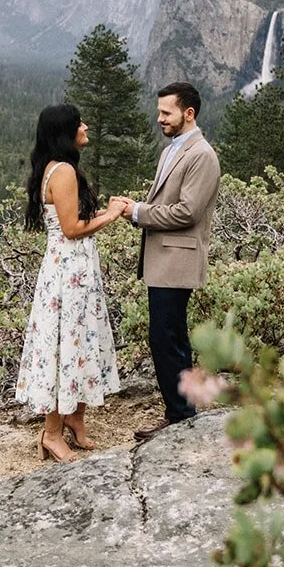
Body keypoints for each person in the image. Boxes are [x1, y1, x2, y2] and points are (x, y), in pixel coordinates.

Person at [15, 103, 129, 462]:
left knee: (80, 342)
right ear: (66, 132)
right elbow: (71, 229)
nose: (86, 125)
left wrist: (102, 211)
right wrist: (110, 216)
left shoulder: (60, 169)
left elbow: (75, 217)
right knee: (63, 347)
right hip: (68, 274)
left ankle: (76, 420)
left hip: (74, 271)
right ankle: (51, 433)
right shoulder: (62, 171)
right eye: (79, 122)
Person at [111, 81, 220, 441]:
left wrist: (137, 211)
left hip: (178, 262)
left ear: (188, 113)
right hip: (165, 260)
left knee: (167, 337)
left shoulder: (202, 155)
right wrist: (135, 208)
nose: (159, 118)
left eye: (166, 112)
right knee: (166, 335)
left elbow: (187, 212)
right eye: (159, 111)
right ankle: (179, 410)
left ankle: (181, 414)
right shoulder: (171, 151)